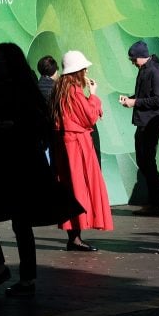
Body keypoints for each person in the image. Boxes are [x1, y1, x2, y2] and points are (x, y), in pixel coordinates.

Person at [0, 43, 54, 297]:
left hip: (15, 164)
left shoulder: (19, 90)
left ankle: (18, 275)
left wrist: (12, 127)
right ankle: (6, 269)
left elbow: (38, 124)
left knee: (19, 219)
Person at [51, 50, 112, 250]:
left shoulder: (59, 88)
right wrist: (93, 96)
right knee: (80, 187)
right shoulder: (73, 91)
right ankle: (75, 237)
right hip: (77, 144)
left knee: (70, 187)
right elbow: (89, 117)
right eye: (84, 68)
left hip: (64, 144)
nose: (86, 72)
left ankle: (74, 236)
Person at [119, 40, 159, 215]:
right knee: (145, 162)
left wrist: (134, 102)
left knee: (147, 161)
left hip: (152, 122)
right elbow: (145, 95)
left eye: (133, 59)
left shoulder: (155, 71)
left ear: (141, 57)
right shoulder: (145, 70)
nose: (132, 62)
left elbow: (158, 99)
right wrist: (130, 99)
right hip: (144, 121)